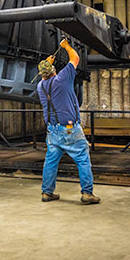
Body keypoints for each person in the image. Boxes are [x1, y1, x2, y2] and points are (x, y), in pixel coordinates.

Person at [36, 38, 100, 205]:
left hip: (52, 131)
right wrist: (66, 46)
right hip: (70, 129)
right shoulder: (62, 79)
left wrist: (47, 63)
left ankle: (47, 192)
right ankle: (87, 193)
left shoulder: (40, 87)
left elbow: (46, 75)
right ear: (54, 70)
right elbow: (75, 59)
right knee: (83, 159)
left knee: (50, 162)